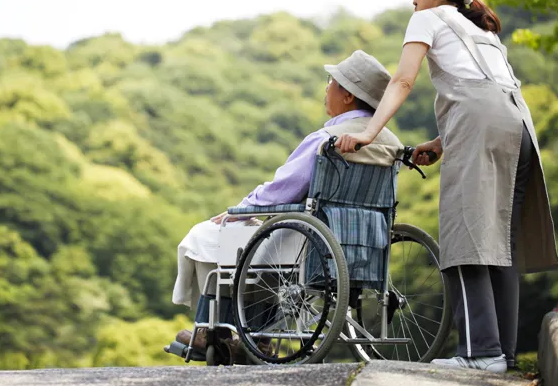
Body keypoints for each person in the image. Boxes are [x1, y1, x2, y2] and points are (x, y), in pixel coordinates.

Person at [335, 0, 558, 373]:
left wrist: (368, 133)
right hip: (518, 125)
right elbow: (490, 91)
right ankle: (502, 354)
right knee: (501, 242)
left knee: (466, 234)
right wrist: (442, 142)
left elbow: (404, 80)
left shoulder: (429, 18)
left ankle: (481, 353)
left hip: (480, 125)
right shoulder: (481, 28)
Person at [171, 50, 403, 352]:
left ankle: (211, 331)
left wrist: (240, 210)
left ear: (347, 96)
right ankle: (257, 338)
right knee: (254, 245)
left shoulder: (328, 137)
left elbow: (282, 190)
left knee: (213, 234)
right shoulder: (390, 142)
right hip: (365, 243)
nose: (326, 88)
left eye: (331, 82)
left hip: (311, 240)